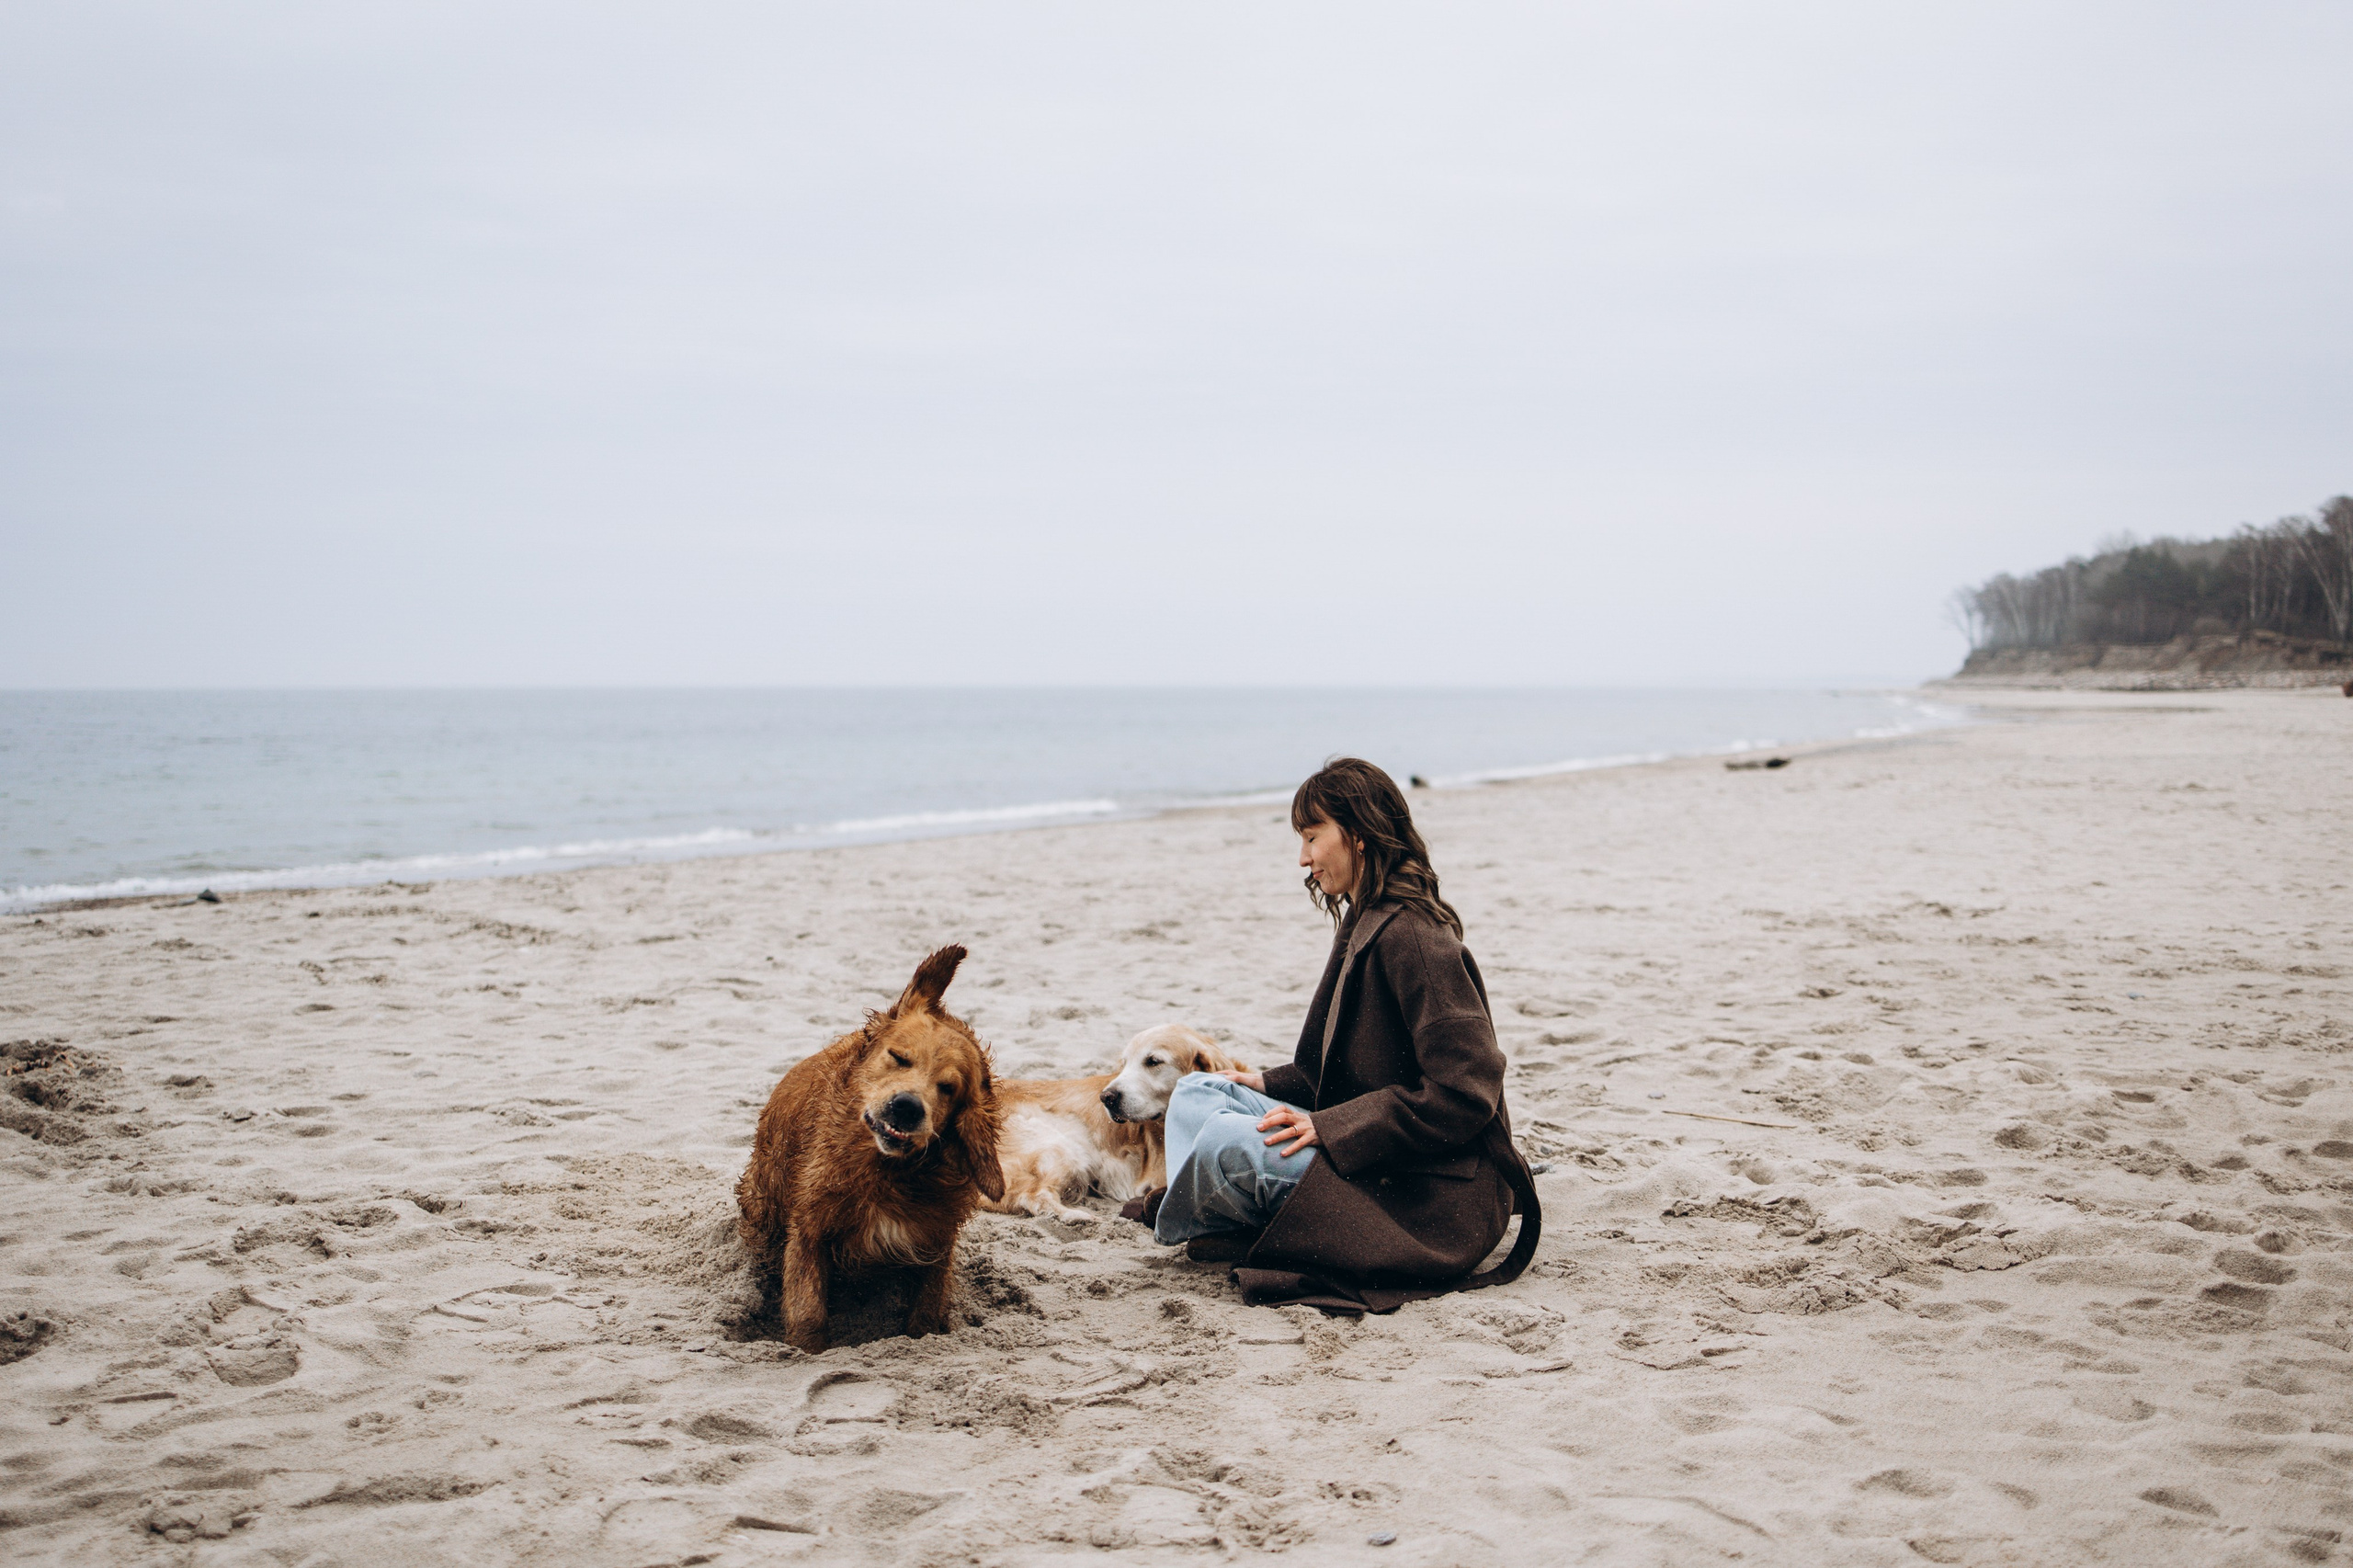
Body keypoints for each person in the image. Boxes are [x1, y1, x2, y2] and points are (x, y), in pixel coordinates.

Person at [1140, 756, 1540, 1314]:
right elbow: (1328, 1071)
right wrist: (1260, 1081)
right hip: (1372, 1150)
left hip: (1427, 1195)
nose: (1303, 857)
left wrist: (1327, 1127)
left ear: (1357, 835)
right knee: (1199, 1094)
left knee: (1222, 1142)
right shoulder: (1365, 918)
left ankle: (1209, 1220)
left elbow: (1466, 1095)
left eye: (1311, 836)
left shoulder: (1417, 939)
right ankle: (1223, 1212)